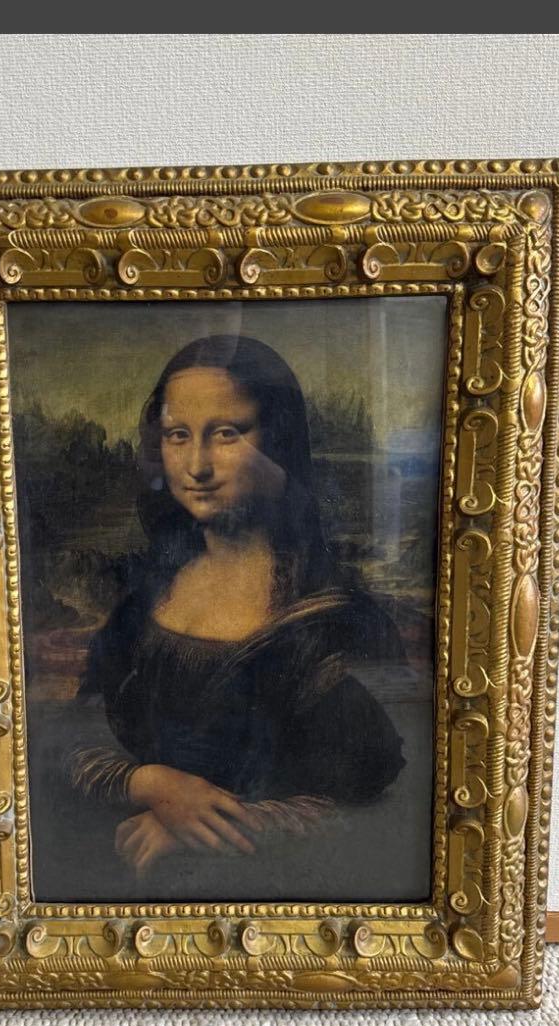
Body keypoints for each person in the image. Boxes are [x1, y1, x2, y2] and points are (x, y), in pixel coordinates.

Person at [67, 334, 406, 885]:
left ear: (279, 443)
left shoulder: (331, 620)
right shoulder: (144, 598)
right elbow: (68, 742)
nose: (197, 465)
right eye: (178, 435)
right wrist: (151, 785)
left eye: (227, 433)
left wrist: (204, 828)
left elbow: (369, 802)